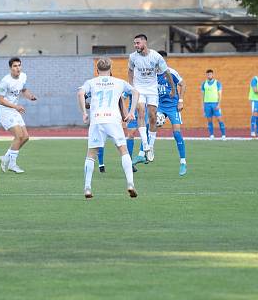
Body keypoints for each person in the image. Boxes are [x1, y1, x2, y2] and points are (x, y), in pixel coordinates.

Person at [78, 57, 139, 199]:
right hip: (113, 119)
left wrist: (84, 113)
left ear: (97, 69)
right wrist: (131, 112)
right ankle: (130, 184)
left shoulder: (91, 82)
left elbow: (80, 93)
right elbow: (136, 92)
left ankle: (87, 187)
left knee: (91, 154)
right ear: (110, 68)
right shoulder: (119, 82)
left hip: (97, 120)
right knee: (123, 151)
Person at [128, 34, 175, 161]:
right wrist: (131, 87)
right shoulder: (132, 57)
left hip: (152, 90)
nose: (135, 45)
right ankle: (144, 143)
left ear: (144, 42)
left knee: (153, 117)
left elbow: (167, 72)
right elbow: (130, 71)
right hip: (139, 89)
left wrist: (173, 89)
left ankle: (151, 146)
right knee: (141, 111)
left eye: (137, 43)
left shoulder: (156, 56)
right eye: (134, 43)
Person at [0, 57, 38, 173]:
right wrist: (16, 107)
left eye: (19, 65)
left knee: (25, 137)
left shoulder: (23, 76)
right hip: (4, 110)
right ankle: (12, 165)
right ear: (10, 68)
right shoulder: (5, 81)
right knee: (19, 136)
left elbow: (23, 90)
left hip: (14, 109)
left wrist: (30, 96)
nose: (18, 68)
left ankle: (6, 157)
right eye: (15, 66)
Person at [153, 50, 188, 176]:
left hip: (173, 107)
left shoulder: (171, 72)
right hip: (160, 106)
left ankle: (183, 162)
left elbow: (183, 85)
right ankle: (146, 152)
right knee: (151, 127)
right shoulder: (152, 74)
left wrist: (181, 101)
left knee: (177, 133)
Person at [201, 69, 226, 139]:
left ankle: (223, 135)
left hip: (215, 104)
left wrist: (219, 104)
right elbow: (202, 95)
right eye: (208, 74)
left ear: (213, 75)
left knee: (219, 119)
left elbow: (220, 95)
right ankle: (211, 135)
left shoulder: (217, 83)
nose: (209, 75)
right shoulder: (204, 84)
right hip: (207, 104)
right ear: (206, 75)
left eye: (210, 74)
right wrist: (203, 105)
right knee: (209, 120)